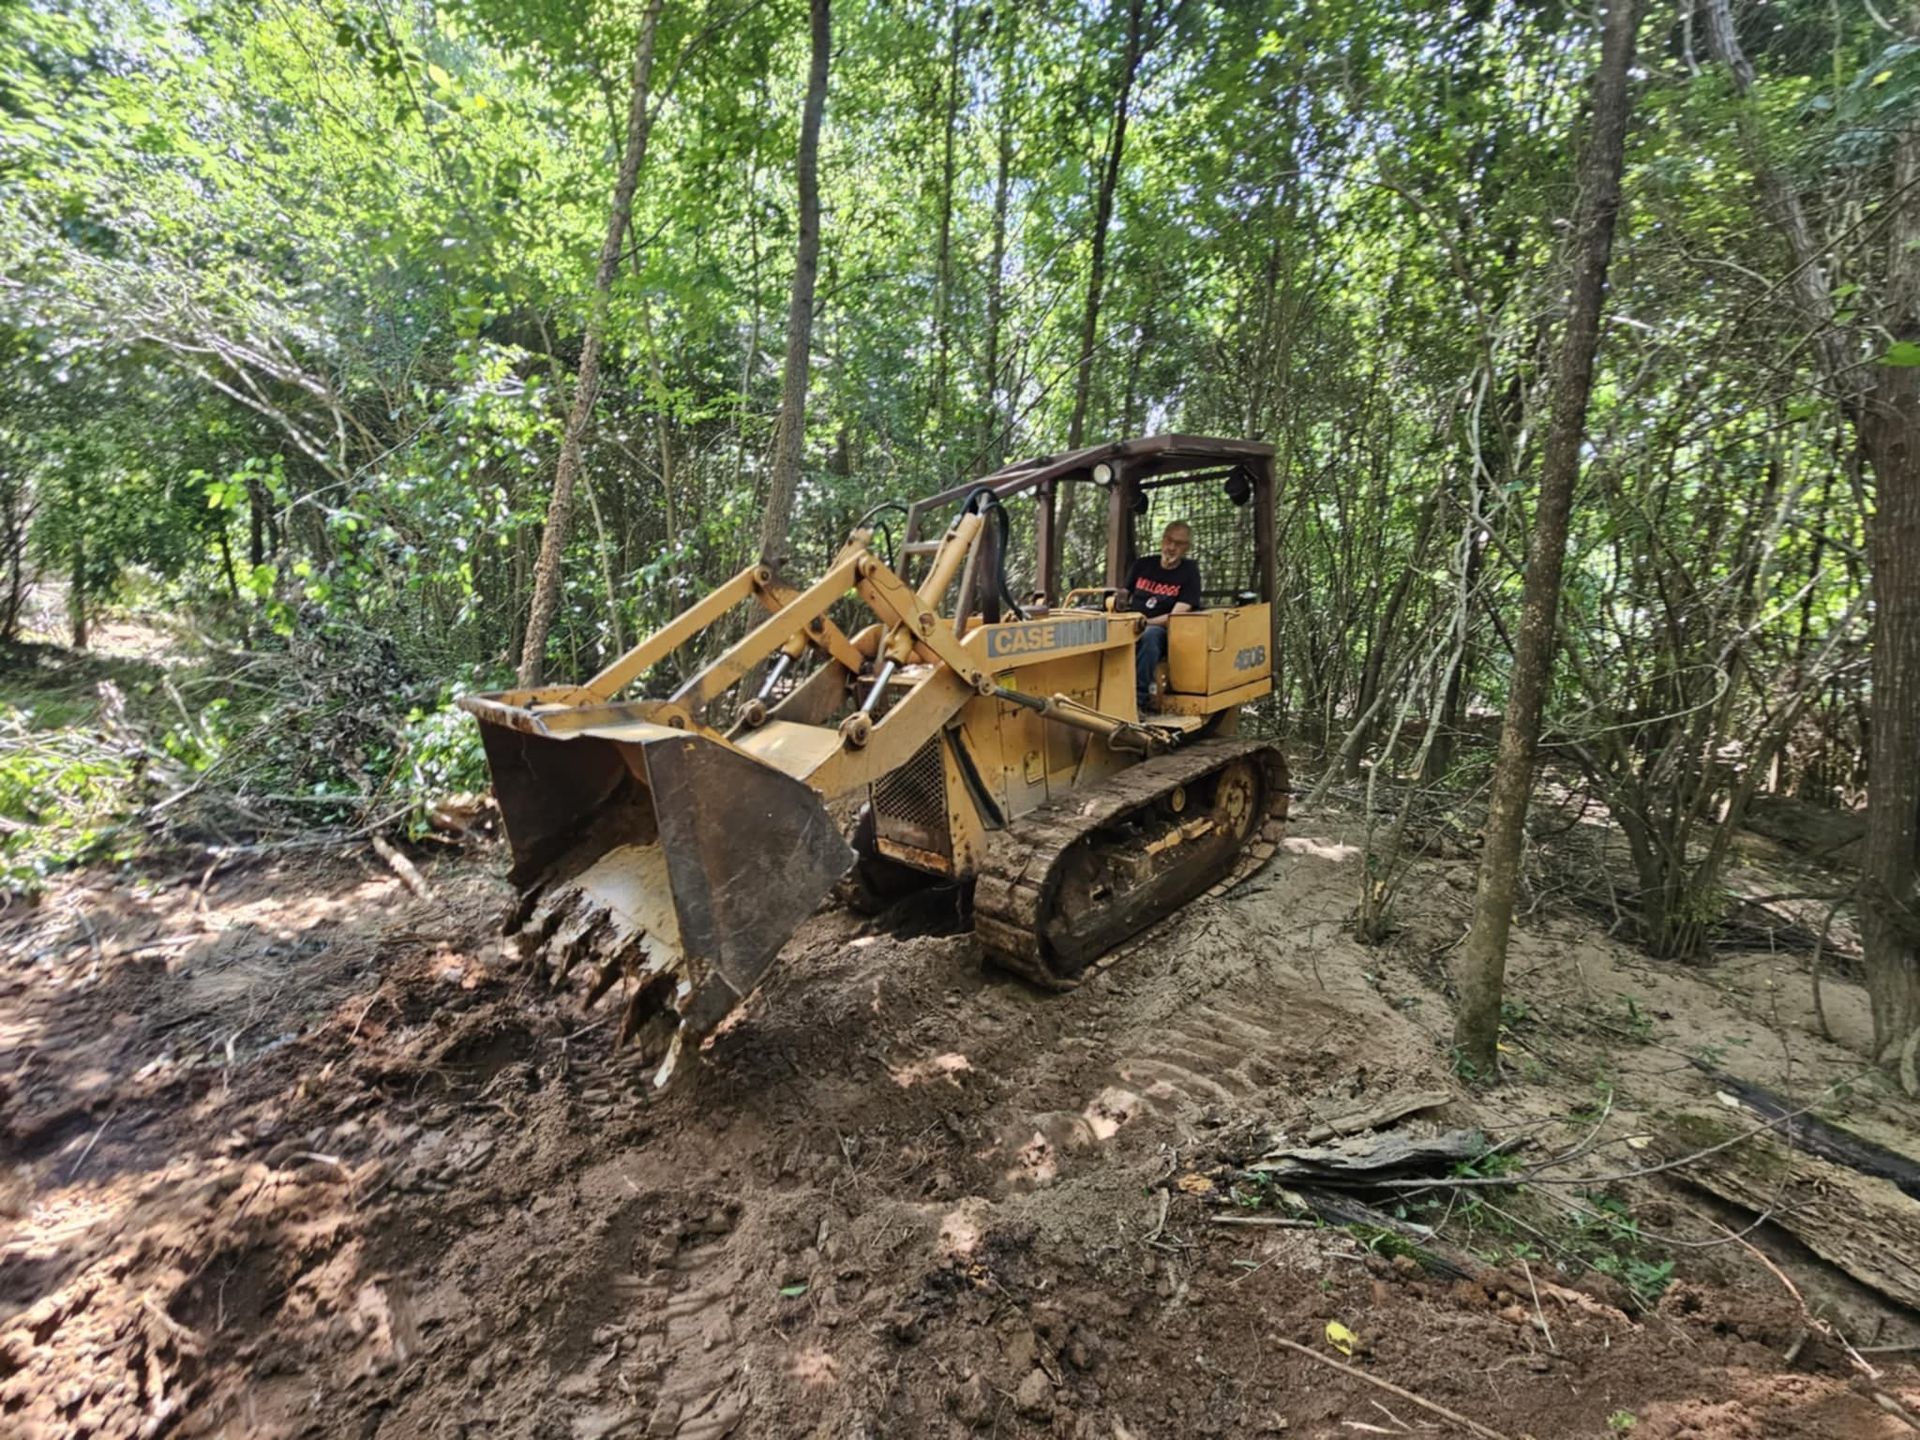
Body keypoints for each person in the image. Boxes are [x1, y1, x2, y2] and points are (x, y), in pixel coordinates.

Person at [1124, 520, 1200, 710]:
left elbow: (1177, 616)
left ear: (1187, 548)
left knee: (1149, 636)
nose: (1172, 547)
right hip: (1130, 623)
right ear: (1162, 540)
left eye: (1179, 543)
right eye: (1169, 540)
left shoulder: (1189, 572)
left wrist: (1145, 622)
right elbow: (1123, 596)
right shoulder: (1142, 565)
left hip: (1163, 631)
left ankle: (1136, 700)